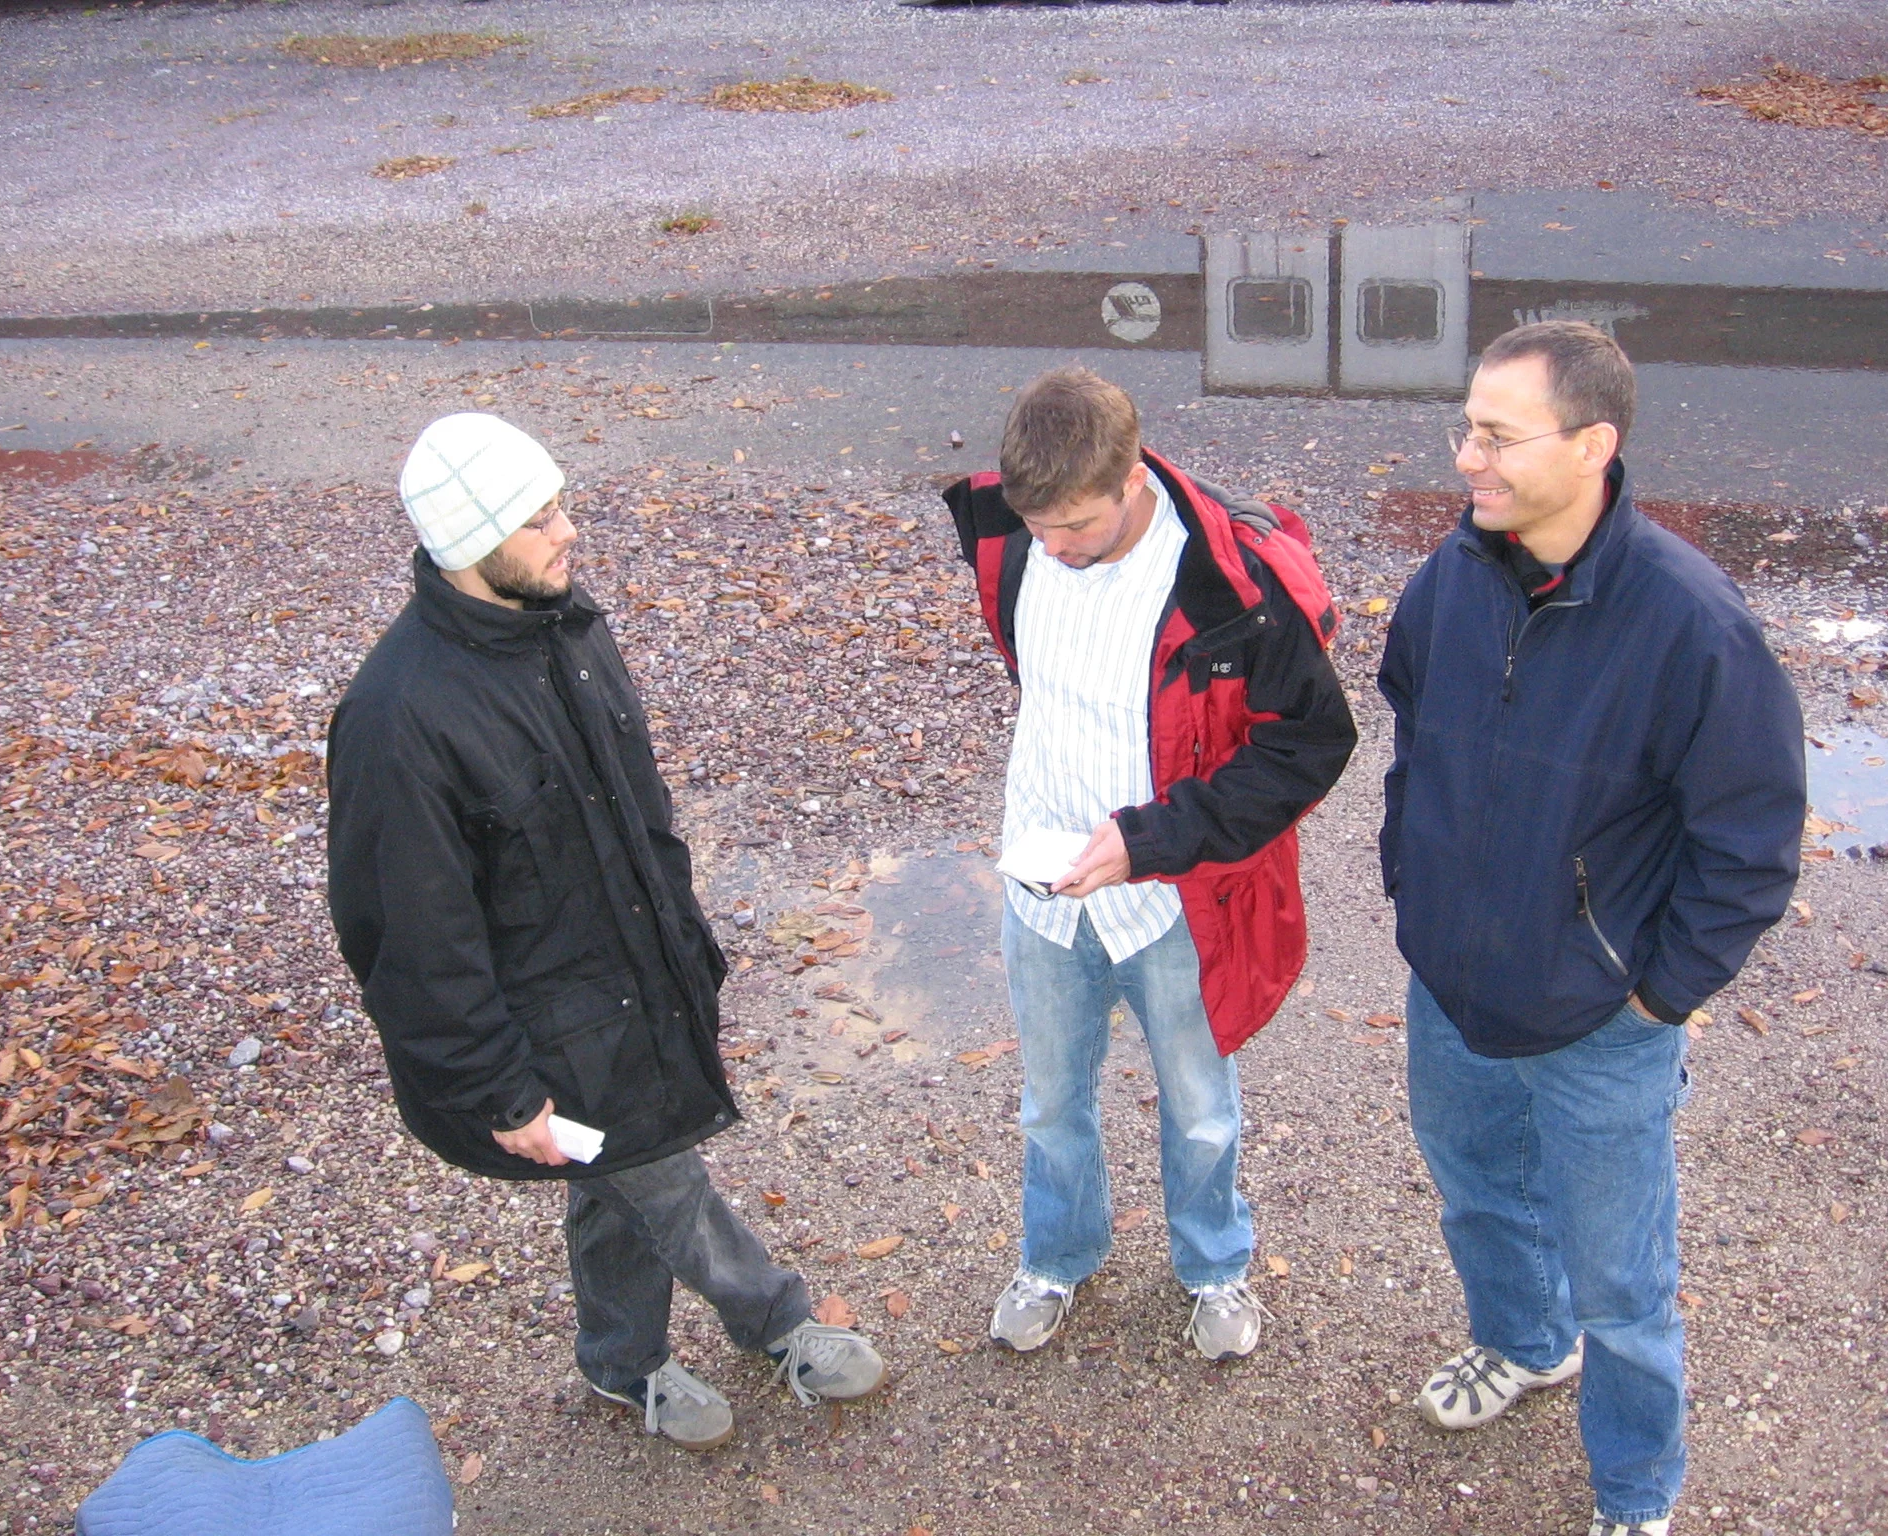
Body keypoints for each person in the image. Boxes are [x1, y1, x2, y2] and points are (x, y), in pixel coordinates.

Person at [326, 413, 883, 1451]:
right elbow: (407, 942)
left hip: (641, 973)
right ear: (468, 544)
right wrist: (499, 1088)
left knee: (616, 1174)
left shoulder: (566, 627)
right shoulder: (397, 720)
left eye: (560, 505)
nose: (568, 531)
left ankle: (620, 1364)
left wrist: (690, 949)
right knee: (659, 1173)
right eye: (539, 519)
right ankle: (777, 1318)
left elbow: (642, 808)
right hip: (549, 1030)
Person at [1377, 322, 1805, 1536]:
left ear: (1593, 445)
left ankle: (1632, 1489)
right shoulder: (1450, 576)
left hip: (1598, 1020)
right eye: (1464, 426)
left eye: (1497, 435)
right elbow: (1411, 739)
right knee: (1475, 1195)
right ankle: (1520, 1344)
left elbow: (1750, 842)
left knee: (1622, 1284)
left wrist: (1655, 995)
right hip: (1452, 986)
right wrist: (1413, 887)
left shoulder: (1689, 624)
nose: (1467, 456)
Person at [944, 367, 1357, 1360]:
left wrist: (1149, 838)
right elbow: (1034, 676)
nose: (1054, 548)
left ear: (1133, 478)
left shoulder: (1233, 584)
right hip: (1042, 894)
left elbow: (1307, 747)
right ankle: (1057, 1255)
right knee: (1048, 1104)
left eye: (1076, 527)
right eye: (1038, 527)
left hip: (1170, 898)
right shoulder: (1011, 538)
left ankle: (1213, 1268)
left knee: (1200, 1108)